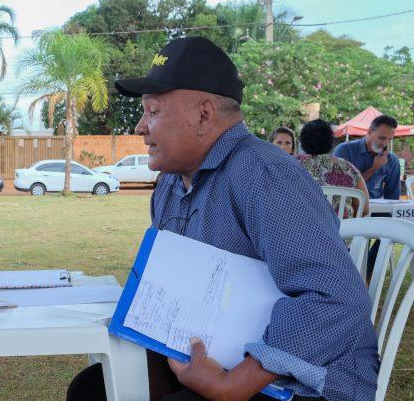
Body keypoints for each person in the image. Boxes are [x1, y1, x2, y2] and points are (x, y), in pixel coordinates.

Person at [67, 37, 378, 401]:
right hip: (214, 359)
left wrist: (232, 385)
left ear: (203, 115)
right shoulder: (171, 182)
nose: (140, 126)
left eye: (153, 111)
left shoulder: (264, 175)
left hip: (302, 384)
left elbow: (336, 298)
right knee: (92, 390)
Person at [296, 119, 370, 218]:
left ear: (303, 141)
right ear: (330, 141)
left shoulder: (292, 165)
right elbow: (364, 210)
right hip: (343, 232)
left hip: (302, 231)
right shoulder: (348, 168)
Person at [334, 115, 400, 200]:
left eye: (389, 139)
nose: (385, 143)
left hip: (378, 210)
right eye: (382, 138)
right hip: (347, 207)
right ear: (369, 132)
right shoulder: (344, 150)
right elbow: (342, 188)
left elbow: (393, 196)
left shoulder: (391, 160)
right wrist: (374, 168)